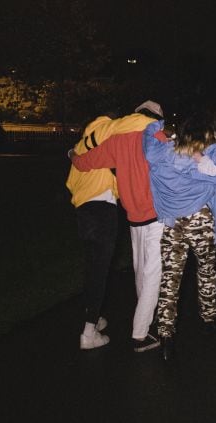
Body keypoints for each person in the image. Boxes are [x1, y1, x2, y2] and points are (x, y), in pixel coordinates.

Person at [141, 116, 216, 360]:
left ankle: (166, 333)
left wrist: (157, 124)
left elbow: (146, 140)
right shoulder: (205, 156)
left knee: (170, 278)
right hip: (200, 221)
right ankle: (209, 318)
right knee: (206, 270)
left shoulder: (160, 153)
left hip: (172, 222)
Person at [68, 101, 164, 351]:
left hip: (109, 213)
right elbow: (144, 126)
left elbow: (81, 166)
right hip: (134, 211)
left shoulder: (103, 140)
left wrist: (72, 155)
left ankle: (103, 318)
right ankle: (127, 332)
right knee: (145, 272)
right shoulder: (144, 133)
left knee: (120, 269)